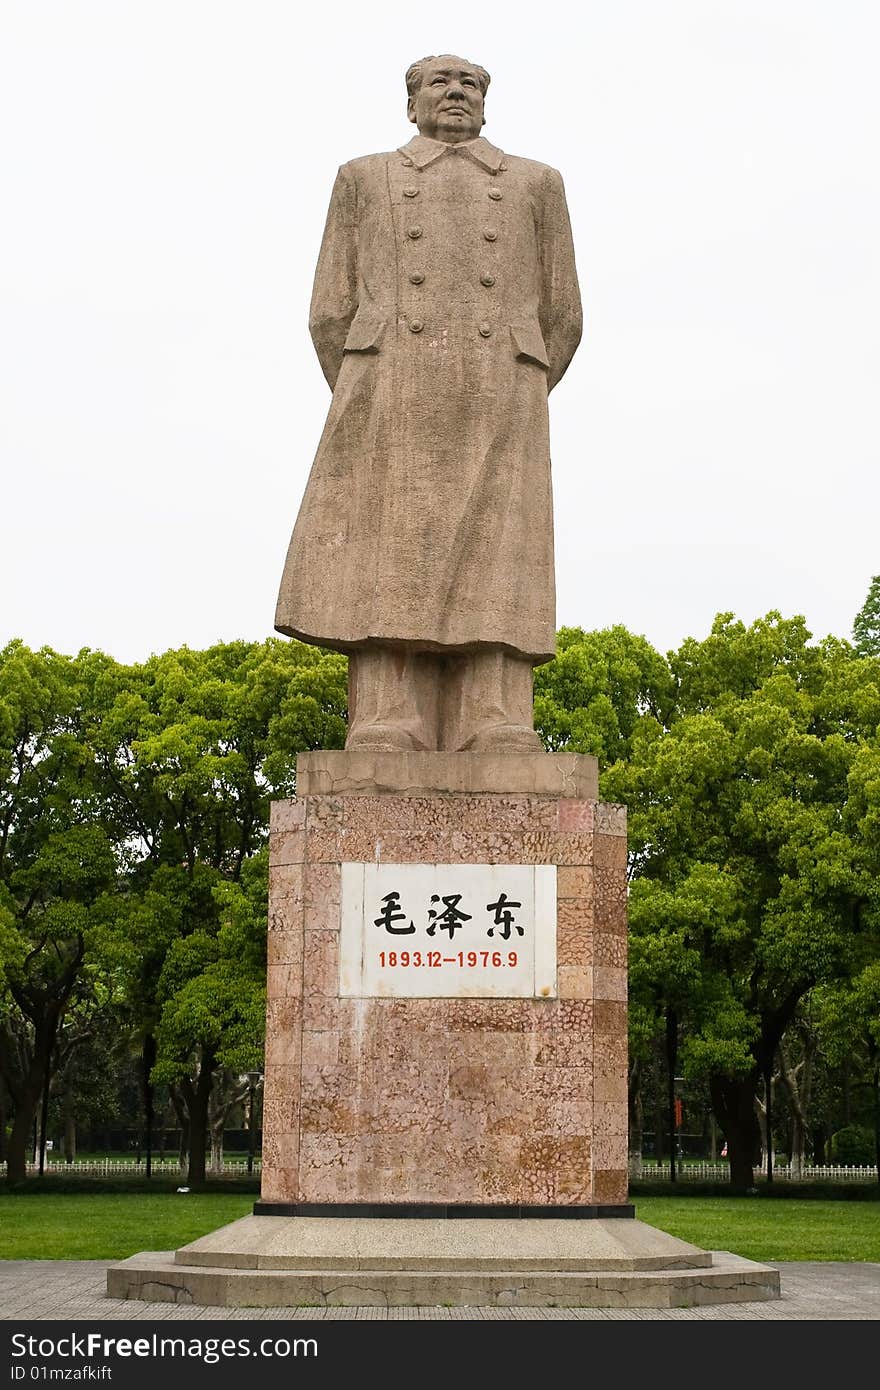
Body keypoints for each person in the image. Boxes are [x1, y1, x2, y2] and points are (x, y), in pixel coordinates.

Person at [275, 54, 582, 752]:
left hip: (501, 391)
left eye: (470, 85)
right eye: (439, 84)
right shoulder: (364, 178)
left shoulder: (537, 184)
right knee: (389, 555)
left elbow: (563, 313)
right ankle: (388, 715)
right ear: (410, 103)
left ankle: (494, 715)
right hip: (392, 390)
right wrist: (375, 387)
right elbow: (330, 309)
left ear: (486, 103)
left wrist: (514, 382)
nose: (455, 94)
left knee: (500, 558)